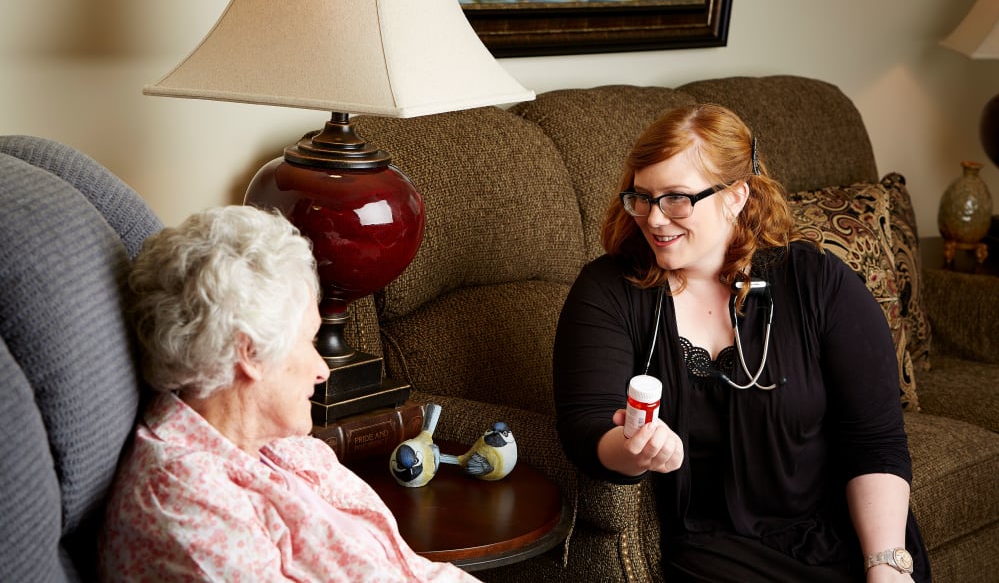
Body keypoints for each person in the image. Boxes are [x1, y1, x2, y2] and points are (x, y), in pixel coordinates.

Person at [552, 104, 931, 582]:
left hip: (847, 534)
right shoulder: (609, 290)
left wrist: (885, 565)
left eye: (676, 199)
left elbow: (875, 441)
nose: (653, 219)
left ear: (736, 196)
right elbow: (584, 424)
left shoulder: (818, 283)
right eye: (642, 197)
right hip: (718, 550)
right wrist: (631, 452)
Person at [99, 205, 478, 582]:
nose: (322, 370)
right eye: (308, 341)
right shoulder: (185, 502)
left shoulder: (284, 446)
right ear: (249, 354)